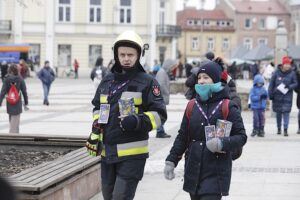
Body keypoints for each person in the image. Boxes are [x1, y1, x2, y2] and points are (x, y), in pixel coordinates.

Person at [86, 30, 167, 200]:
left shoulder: (148, 82)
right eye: (122, 54)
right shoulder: (107, 81)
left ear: (139, 55)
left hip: (132, 156)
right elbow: (97, 107)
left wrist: (137, 121)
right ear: (116, 55)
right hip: (107, 153)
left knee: (120, 197)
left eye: (131, 54)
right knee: (108, 196)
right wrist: (96, 129)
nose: (126, 58)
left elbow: (160, 114)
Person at [164, 61, 247, 200]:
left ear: (215, 79)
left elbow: (241, 136)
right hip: (193, 170)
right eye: (199, 77)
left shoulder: (228, 105)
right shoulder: (192, 105)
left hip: (216, 171)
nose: (201, 81)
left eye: (206, 77)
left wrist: (222, 143)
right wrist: (171, 160)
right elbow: (183, 137)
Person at [268, 56, 298, 136]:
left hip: (287, 97)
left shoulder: (292, 73)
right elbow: (271, 84)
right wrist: (270, 94)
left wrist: (289, 86)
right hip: (277, 96)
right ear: (283, 64)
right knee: (278, 114)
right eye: (286, 64)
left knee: (286, 113)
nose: (288, 66)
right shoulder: (276, 73)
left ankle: (285, 129)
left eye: (289, 64)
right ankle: (278, 128)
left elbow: (296, 83)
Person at [153, 59, 178, 138]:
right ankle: (160, 131)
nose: (173, 68)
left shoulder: (163, 72)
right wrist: (166, 93)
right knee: (161, 115)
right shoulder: (162, 73)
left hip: (161, 97)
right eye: (172, 66)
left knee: (161, 114)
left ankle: (160, 131)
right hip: (161, 98)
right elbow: (160, 85)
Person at [0, 64, 29, 133]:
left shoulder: (7, 79)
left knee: (12, 121)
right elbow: (24, 91)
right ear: (17, 70)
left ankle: (15, 136)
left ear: (9, 70)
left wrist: (0, 101)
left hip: (10, 102)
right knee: (15, 123)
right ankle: (12, 138)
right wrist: (26, 102)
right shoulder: (20, 79)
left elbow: (2, 92)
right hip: (17, 102)